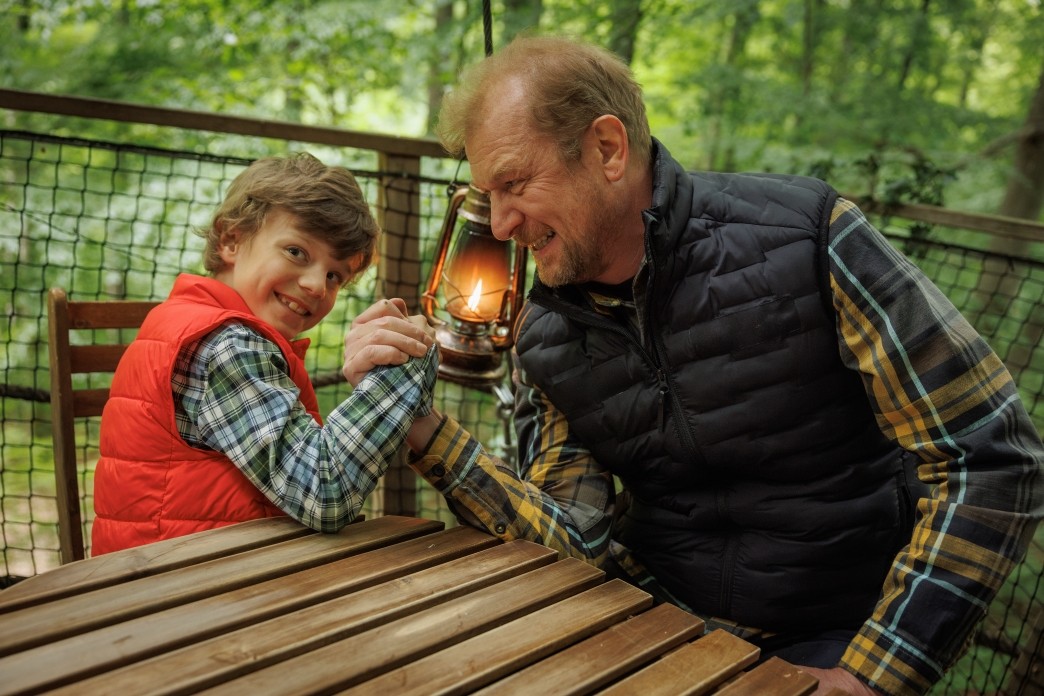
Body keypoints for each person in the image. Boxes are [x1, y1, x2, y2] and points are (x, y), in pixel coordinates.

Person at [346, 36, 1044, 695]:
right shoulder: (545, 336)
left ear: (608, 149)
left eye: (514, 184)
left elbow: (987, 456)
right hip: (649, 623)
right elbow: (571, 537)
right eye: (486, 196)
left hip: (836, 636)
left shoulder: (809, 237)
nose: (498, 226)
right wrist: (421, 426)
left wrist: (874, 674)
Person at [92, 152, 437, 555]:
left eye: (334, 275)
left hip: (193, 577)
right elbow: (324, 493)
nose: (316, 286)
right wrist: (399, 369)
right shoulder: (226, 344)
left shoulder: (198, 322)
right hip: (180, 592)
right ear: (231, 240)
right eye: (296, 252)